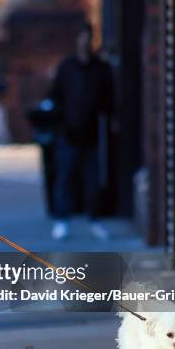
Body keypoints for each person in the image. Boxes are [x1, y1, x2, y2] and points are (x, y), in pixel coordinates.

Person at [48, 22, 114, 241]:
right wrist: (61, 121)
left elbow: (108, 100)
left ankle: (94, 219)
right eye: (82, 37)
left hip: (92, 133)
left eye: (88, 37)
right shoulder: (66, 68)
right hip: (68, 133)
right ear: (77, 40)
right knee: (65, 177)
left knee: (92, 179)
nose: (85, 42)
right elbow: (56, 96)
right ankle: (62, 220)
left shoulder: (100, 69)